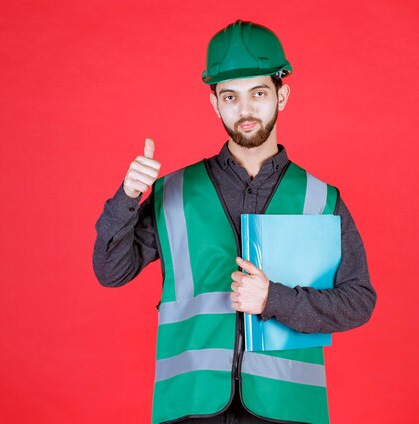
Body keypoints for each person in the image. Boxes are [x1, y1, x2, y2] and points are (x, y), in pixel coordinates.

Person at [93, 20, 377, 424]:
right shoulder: (174, 192)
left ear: (282, 96)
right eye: (230, 96)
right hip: (191, 405)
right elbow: (111, 271)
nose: (244, 110)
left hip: (287, 409)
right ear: (215, 104)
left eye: (258, 93)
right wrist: (126, 198)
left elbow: (359, 301)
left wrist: (273, 300)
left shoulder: (320, 198)